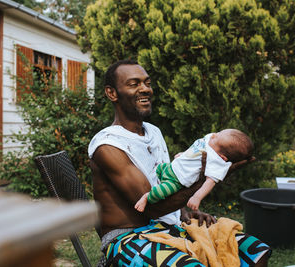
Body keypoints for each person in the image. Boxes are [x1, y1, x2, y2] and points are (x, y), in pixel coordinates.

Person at [88, 59, 271, 266]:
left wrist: (185, 212)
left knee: (255, 252)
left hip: (169, 225)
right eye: (134, 84)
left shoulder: (153, 132)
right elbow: (151, 209)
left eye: (147, 83)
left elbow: (167, 183)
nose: (145, 89)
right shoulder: (108, 146)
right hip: (128, 237)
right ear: (112, 93)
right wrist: (205, 180)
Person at [135, 129, 253, 212]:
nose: (213, 135)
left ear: (222, 157)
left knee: (160, 192)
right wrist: (184, 154)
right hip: (171, 166)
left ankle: (146, 197)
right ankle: (154, 183)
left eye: (216, 138)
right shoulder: (212, 140)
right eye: (219, 133)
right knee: (157, 170)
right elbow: (195, 150)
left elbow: (209, 183)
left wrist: (197, 197)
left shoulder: (217, 162)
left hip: (176, 181)